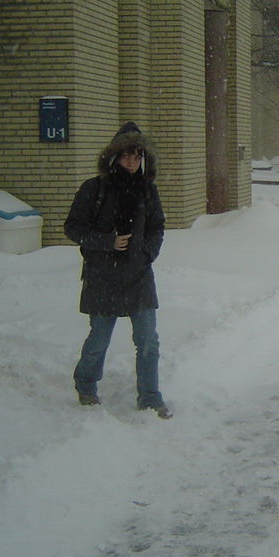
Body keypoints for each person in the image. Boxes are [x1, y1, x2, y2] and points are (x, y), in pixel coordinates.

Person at [64, 121, 171, 419]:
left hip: (138, 276)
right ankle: (85, 384)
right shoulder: (94, 189)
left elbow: (157, 227)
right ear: (113, 158)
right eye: (126, 156)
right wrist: (106, 242)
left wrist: (147, 253)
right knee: (99, 338)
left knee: (148, 340)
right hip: (103, 275)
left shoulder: (147, 191)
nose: (132, 162)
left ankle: (150, 397)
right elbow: (72, 228)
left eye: (137, 157)